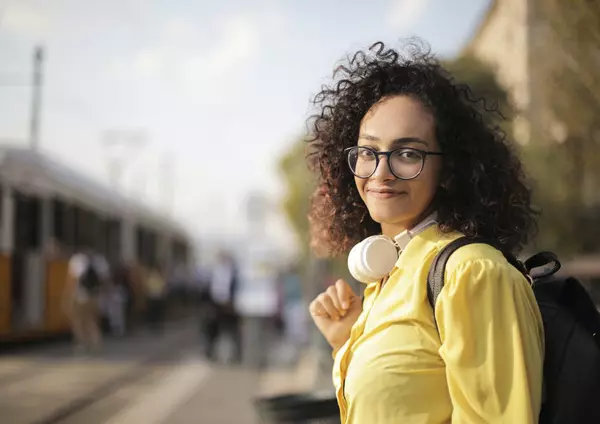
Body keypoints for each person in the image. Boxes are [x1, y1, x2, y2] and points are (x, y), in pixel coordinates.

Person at [307, 41, 544, 424]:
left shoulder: (472, 273)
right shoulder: (388, 278)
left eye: (407, 153)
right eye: (368, 152)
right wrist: (347, 343)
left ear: (449, 169)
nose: (380, 173)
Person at [63, 246, 110, 353]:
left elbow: (72, 280)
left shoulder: (77, 259)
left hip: (80, 296)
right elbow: (105, 280)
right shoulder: (100, 260)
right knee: (93, 320)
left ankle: (82, 343)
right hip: (95, 295)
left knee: (79, 320)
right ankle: (96, 343)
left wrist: (68, 297)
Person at [203, 251, 242, 363]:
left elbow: (236, 288)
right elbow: (208, 289)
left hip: (231, 305)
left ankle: (235, 355)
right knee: (212, 330)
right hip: (216, 305)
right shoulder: (213, 272)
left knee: (232, 331)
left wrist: (232, 302)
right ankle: (210, 352)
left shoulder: (234, 272)